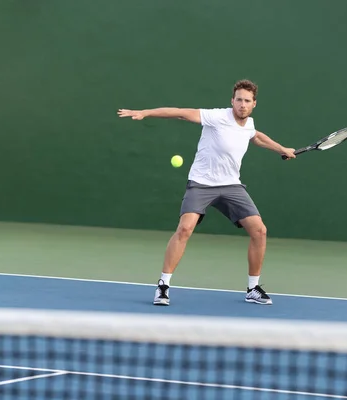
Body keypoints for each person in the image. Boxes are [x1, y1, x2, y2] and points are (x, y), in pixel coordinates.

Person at [117, 79, 296, 306]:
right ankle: (163, 286)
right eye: (239, 100)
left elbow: (257, 137)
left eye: (247, 101)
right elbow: (182, 113)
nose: (242, 104)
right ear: (232, 101)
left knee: (259, 231)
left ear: (254, 104)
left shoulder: (249, 123)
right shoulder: (217, 117)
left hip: (231, 185)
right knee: (185, 228)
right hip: (201, 183)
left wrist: (282, 149)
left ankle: (253, 288)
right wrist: (146, 112)